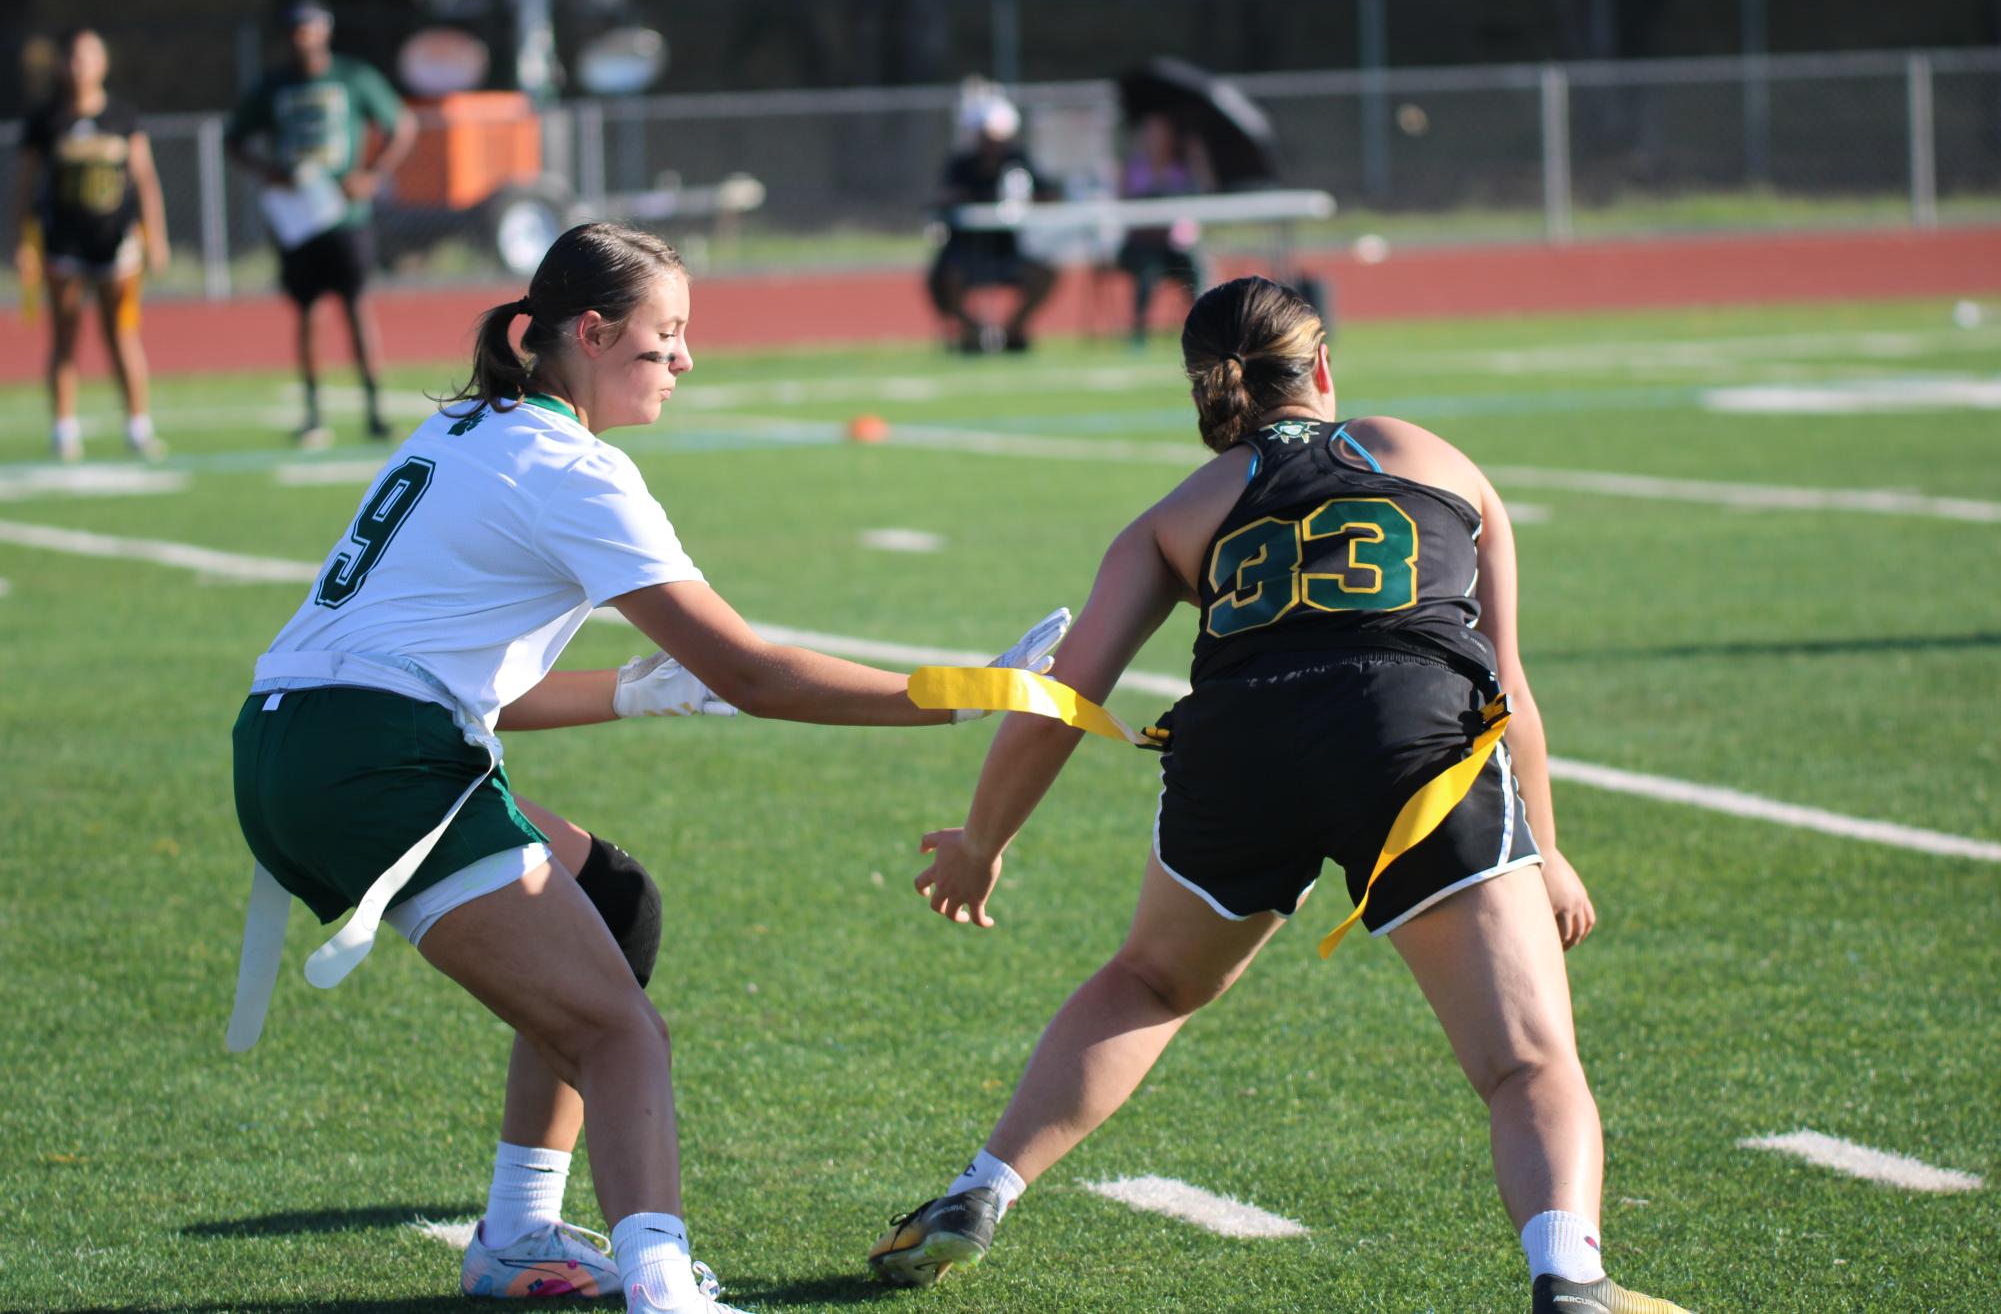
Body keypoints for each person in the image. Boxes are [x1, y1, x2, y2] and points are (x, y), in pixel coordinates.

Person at [229, 222, 1064, 1314]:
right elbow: (758, 671)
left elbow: (474, 688)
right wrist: (961, 692)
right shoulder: (572, 467)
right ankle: (663, 1289)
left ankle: (521, 1231)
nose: (684, 360)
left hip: (287, 744)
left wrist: (635, 687)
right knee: (623, 1035)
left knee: (610, 900)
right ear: (591, 330)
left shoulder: (467, 427)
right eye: (665, 335)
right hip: (375, 760)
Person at [866, 276, 1693, 1314]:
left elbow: (1062, 694)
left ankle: (978, 1190)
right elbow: (1507, 682)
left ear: (1207, 391)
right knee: (1528, 1063)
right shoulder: (1434, 458)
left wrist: (984, 840)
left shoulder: (1176, 513)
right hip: (1414, 748)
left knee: (1153, 984)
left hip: (1240, 748)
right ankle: (1569, 1276)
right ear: (1324, 367)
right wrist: (1548, 845)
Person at [225, 0, 415, 448]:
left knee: (356, 307)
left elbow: (401, 125)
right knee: (307, 311)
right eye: (295, 29)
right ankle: (313, 413)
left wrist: (372, 174)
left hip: (344, 214)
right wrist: (265, 170)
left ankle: (376, 408)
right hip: (300, 217)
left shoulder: (352, 77)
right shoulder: (274, 85)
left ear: (325, 31)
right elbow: (234, 139)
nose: (302, 37)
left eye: (310, 28)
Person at [13, 27, 169, 463]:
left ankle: (139, 425)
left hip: (116, 245)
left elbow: (145, 180)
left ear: (103, 63)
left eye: (89, 57)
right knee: (64, 336)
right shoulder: (47, 120)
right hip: (63, 244)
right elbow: (26, 186)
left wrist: (155, 235)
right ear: (63, 65)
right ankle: (64, 430)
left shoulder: (121, 115)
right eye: (73, 57)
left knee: (121, 333)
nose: (80, 66)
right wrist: (23, 241)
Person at [926, 96, 1056, 354]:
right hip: (967, 249)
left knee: (1046, 273)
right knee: (945, 277)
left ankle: (1013, 330)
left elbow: (1047, 193)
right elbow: (943, 197)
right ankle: (974, 331)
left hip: (1006, 248)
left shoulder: (1018, 161)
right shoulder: (962, 164)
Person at [1112, 111, 1210, 345]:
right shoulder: (1133, 168)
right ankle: (1139, 331)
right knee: (1147, 271)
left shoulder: (1183, 166)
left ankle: (1205, 327)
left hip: (1175, 243)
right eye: (1150, 134)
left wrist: (1197, 157)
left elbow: (1205, 192)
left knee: (1195, 267)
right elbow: (1123, 207)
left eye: (1161, 134)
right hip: (1142, 243)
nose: (1155, 139)